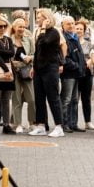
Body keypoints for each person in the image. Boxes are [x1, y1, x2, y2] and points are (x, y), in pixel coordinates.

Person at [29, 9, 65, 137]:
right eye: (37, 17)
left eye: (39, 17)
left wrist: (43, 28)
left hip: (50, 69)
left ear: (47, 19)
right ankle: (41, 125)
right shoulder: (40, 33)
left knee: (53, 97)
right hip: (39, 69)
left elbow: (44, 43)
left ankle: (59, 126)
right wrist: (34, 67)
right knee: (39, 98)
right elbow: (37, 52)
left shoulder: (54, 32)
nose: (37, 19)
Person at [9, 16, 36, 133]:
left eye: (24, 27)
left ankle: (32, 123)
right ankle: (18, 123)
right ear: (14, 27)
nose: (22, 29)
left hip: (26, 70)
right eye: (20, 26)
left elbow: (35, 54)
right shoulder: (8, 39)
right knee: (16, 99)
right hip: (13, 71)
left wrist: (30, 58)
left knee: (32, 99)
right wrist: (11, 62)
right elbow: (5, 55)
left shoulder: (28, 39)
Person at [60, 16, 85, 133]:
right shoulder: (63, 38)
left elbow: (80, 55)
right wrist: (76, 66)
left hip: (76, 73)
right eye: (68, 24)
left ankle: (73, 124)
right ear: (63, 26)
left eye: (72, 23)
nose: (71, 26)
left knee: (75, 100)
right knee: (66, 100)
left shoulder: (75, 37)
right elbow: (65, 58)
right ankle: (63, 124)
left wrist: (81, 67)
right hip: (68, 74)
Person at [75, 21, 94, 131]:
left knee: (86, 98)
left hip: (87, 72)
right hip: (76, 72)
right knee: (75, 98)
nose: (78, 31)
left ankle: (88, 121)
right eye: (77, 28)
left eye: (80, 29)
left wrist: (90, 61)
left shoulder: (89, 43)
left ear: (84, 31)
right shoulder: (72, 42)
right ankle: (74, 122)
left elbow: (93, 55)